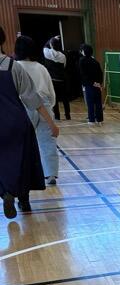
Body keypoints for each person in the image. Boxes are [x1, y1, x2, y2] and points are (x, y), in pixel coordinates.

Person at [0, 26, 59, 218]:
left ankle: (6, 193)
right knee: (24, 161)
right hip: (17, 122)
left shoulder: (16, 65)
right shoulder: (12, 66)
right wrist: (51, 123)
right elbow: (32, 98)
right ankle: (24, 201)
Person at [15, 35, 59, 186]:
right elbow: (51, 93)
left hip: (24, 106)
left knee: (22, 143)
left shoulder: (14, 66)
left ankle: (23, 173)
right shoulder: (41, 68)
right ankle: (51, 175)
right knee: (48, 142)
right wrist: (49, 107)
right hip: (45, 105)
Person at [43, 36, 70, 121]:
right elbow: (64, 66)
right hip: (62, 79)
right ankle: (68, 116)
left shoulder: (47, 53)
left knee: (54, 98)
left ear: (51, 45)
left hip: (53, 80)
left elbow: (45, 46)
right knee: (65, 98)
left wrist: (52, 38)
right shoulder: (63, 56)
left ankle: (57, 116)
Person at [79, 44, 104, 126]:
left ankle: (91, 120)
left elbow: (83, 74)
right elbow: (100, 73)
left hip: (89, 85)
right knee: (98, 103)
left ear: (84, 52)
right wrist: (99, 83)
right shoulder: (95, 61)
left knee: (90, 102)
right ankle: (99, 119)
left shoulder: (82, 60)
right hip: (97, 85)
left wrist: (91, 83)